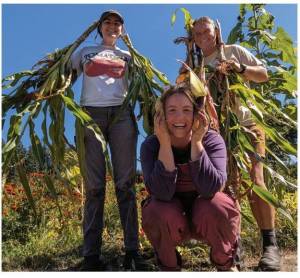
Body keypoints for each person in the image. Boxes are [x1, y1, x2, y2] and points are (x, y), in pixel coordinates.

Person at [190, 16, 280, 271]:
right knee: (228, 188)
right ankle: (233, 248)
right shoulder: (197, 70)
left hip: (246, 126)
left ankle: (270, 247)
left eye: (206, 31)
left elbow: (263, 75)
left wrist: (238, 68)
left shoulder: (234, 51)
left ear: (216, 31)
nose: (202, 37)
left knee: (255, 181)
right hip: (218, 135)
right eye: (196, 34)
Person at [71, 10, 146, 271]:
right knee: (94, 187)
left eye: (117, 23)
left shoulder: (128, 56)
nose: (112, 26)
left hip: (122, 115)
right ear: (99, 27)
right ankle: (91, 256)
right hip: (90, 113)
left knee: (125, 184)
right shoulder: (84, 52)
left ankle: (132, 251)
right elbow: (63, 77)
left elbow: (141, 85)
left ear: (122, 31)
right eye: (108, 22)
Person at [140, 84, 240, 271]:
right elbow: (161, 193)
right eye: (172, 110)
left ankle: (225, 262)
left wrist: (197, 142)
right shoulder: (151, 146)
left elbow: (211, 188)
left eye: (187, 110)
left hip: (204, 219)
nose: (179, 117)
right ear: (162, 115)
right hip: (174, 221)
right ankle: (169, 266)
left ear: (196, 114)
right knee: (155, 210)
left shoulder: (212, 140)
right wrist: (165, 145)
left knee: (218, 205)